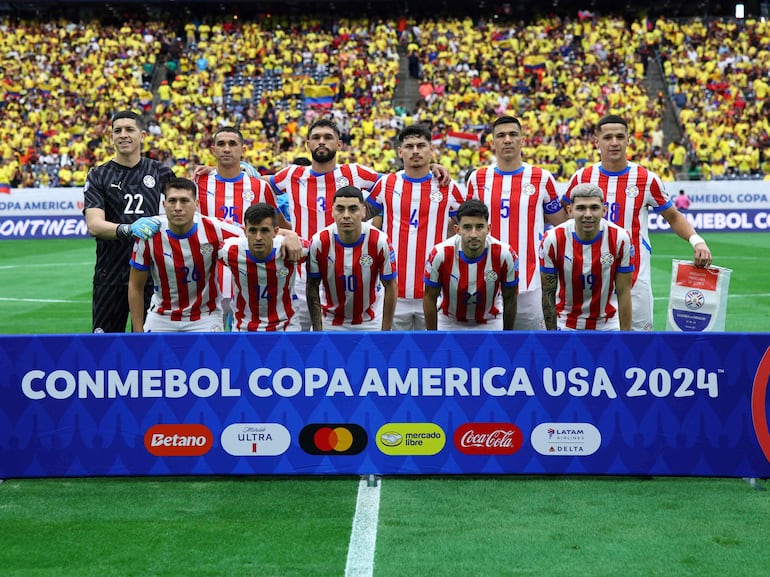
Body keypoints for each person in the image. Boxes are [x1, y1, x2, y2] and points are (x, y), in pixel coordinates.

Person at [262, 118, 450, 330]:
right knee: (303, 344)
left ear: (339, 144)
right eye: (316, 138)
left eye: (328, 138)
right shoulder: (292, 174)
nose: (321, 142)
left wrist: (429, 165)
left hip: (346, 274)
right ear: (307, 144)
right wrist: (285, 229)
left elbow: (400, 181)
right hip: (301, 276)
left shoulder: (355, 173)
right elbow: (257, 187)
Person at [564, 114, 712, 331]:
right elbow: (566, 220)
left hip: (635, 277)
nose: (614, 142)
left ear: (628, 140)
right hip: (590, 277)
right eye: (607, 137)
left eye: (619, 137)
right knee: (591, 345)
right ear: (597, 141)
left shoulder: (646, 179)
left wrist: (697, 241)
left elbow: (674, 216)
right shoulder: (581, 178)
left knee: (637, 344)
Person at [466, 115, 567, 330]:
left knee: (533, 348)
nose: (507, 140)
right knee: (491, 352)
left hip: (531, 284)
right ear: (492, 143)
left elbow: (562, 228)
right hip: (487, 283)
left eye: (513, 134)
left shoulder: (542, 178)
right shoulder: (478, 179)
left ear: (522, 140)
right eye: (501, 136)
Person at [367, 124, 466, 330]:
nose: (415, 151)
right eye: (409, 146)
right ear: (400, 152)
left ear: (431, 150)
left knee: (433, 355)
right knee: (392, 354)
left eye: (421, 145)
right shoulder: (387, 183)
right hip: (393, 291)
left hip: (434, 291)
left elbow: (466, 226)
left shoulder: (447, 185)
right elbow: (362, 215)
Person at [83, 110, 175, 333]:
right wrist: (128, 229)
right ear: (112, 137)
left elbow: (183, 206)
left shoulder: (160, 171)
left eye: (129, 130)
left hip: (151, 275)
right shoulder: (98, 175)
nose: (123, 135)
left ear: (142, 135)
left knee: (147, 347)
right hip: (110, 275)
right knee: (104, 350)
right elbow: (94, 225)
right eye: (118, 131)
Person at [194, 126, 292, 328]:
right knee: (213, 339)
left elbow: (279, 226)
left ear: (243, 150)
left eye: (232, 144)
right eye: (221, 144)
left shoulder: (259, 187)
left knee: (245, 332)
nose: (227, 149)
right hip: (209, 272)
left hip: (248, 272)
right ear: (213, 150)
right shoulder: (199, 182)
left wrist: (291, 235)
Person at [127, 177, 242, 332]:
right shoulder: (149, 233)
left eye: (184, 201)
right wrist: (137, 331)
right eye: (172, 201)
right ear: (164, 205)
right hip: (162, 316)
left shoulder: (215, 228)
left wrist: (286, 237)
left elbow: (254, 235)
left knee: (208, 356)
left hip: (205, 315)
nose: (178, 207)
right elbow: (135, 285)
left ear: (196, 204)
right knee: (150, 355)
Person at [540, 183, 634, 331]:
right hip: (565, 323)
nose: (588, 214)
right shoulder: (552, 239)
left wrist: (626, 337)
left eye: (594, 208)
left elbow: (624, 292)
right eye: (581, 208)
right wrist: (553, 337)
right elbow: (548, 293)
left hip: (607, 324)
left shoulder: (620, 239)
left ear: (604, 210)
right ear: (570, 211)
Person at [306, 186, 397, 331]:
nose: (346, 215)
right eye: (340, 209)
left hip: (370, 322)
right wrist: (318, 330)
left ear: (363, 211)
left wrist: (385, 331)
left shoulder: (379, 240)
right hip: (330, 322)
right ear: (333, 212)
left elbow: (390, 286)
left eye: (353, 209)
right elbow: (312, 286)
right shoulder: (319, 241)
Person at [423, 199, 519, 331]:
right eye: (467, 227)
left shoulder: (505, 254)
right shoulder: (440, 254)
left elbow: (510, 298)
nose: (473, 234)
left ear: (488, 228)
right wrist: (432, 337)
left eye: (479, 227)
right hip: (449, 321)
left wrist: (507, 337)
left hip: (490, 321)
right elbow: (429, 297)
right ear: (457, 229)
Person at [218, 203, 309, 332]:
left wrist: (292, 236)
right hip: (243, 328)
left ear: (275, 232)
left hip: (286, 327)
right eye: (253, 231)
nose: (258, 237)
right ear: (245, 231)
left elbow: (318, 255)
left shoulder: (293, 249)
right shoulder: (229, 251)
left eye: (265, 230)